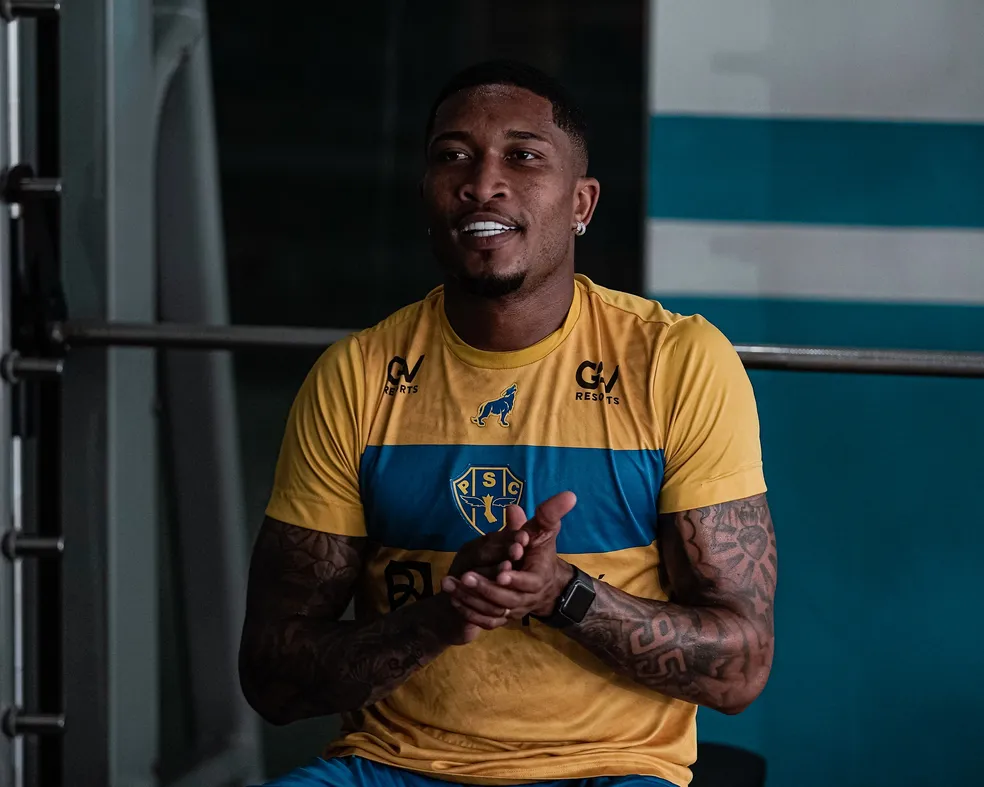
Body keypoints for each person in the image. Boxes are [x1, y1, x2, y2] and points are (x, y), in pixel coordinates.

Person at [239, 60, 777, 787]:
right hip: (392, 768)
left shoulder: (675, 362)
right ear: (427, 196)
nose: (482, 181)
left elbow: (740, 668)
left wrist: (561, 593)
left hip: (610, 770)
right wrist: (439, 618)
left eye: (523, 156)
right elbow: (271, 679)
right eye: (453, 156)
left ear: (582, 202)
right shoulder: (357, 376)